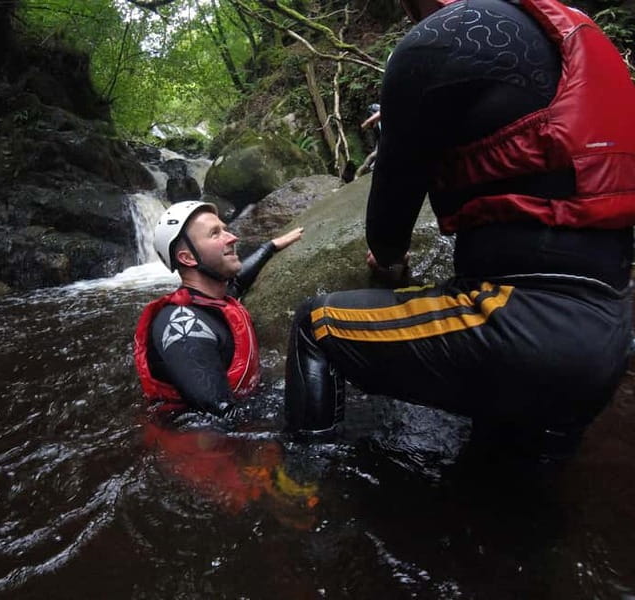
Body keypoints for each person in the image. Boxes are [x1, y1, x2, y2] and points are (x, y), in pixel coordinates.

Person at [284, 0, 635, 457]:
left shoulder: (440, 36)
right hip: (609, 325)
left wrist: (398, 133)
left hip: (522, 324)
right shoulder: (572, 32)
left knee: (315, 327)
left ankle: (295, 492)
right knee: (502, 493)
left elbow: (387, 239)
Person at [134, 200, 303, 421]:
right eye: (215, 234)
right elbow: (221, 415)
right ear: (188, 257)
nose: (233, 237)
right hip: (205, 447)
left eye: (225, 229)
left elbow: (238, 282)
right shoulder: (182, 325)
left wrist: (269, 247)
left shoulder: (214, 299)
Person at [356, 103, 381, 177]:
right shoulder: (376, 124)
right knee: (373, 159)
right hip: (381, 143)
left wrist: (367, 122)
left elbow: (382, 111)